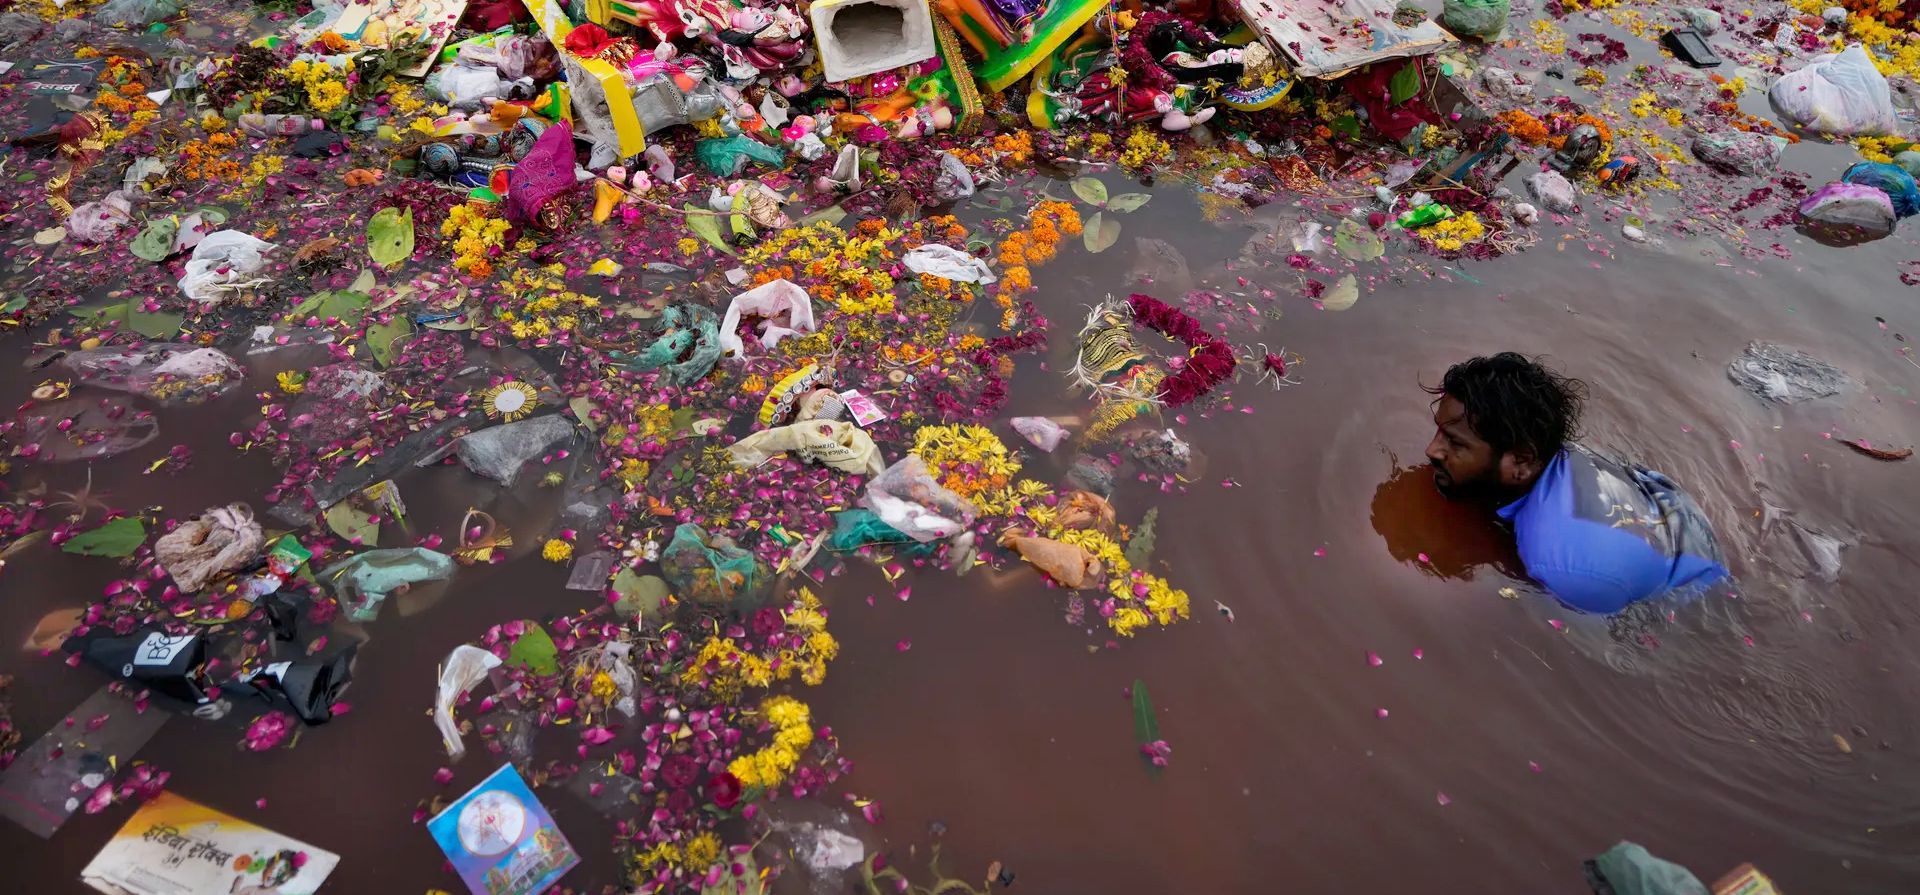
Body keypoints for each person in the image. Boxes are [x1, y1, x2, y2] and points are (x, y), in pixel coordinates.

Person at [1422, 353, 1728, 613]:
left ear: (1521, 462)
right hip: (1675, 523)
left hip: (1695, 593)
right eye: (1439, 433)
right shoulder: (1561, 455)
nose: (1432, 451)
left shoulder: (1561, 565)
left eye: (1455, 443)